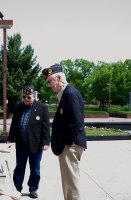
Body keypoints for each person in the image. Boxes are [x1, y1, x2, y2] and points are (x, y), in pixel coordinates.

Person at [42, 64, 87, 200]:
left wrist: (67, 143)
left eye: (50, 81)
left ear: (59, 78)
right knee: (69, 183)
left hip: (70, 145)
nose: (49, 85)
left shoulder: (70, 93)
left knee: (71, 184)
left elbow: (75, 122)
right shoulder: (66, 94)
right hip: (69, 145)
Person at [6, 85, 50, 199]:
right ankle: (17, 188)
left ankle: (33, 188)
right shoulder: (18, 107)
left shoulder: (42, 107)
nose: (26, 99)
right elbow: (14, 124)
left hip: (36, 144)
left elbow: (46, 127)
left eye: (28, 97)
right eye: (24, 97)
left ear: (33, 96)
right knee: (20, 167)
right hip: (21, 144)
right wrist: (10, 138)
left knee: (35, 168)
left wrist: (45, 142)